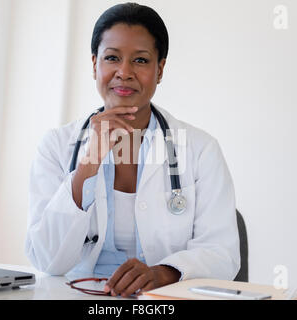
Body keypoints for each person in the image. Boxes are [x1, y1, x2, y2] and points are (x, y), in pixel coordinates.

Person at [26, 2, 240, 298]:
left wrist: (162, 273)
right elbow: (47, 260)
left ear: (160, 69)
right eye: (112, 58)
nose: (124, 72)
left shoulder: (201, 150)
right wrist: (87, 165)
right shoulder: (56, 146)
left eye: (140, 61)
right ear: (94, 64)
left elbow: (222, 253)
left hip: (163, 299)